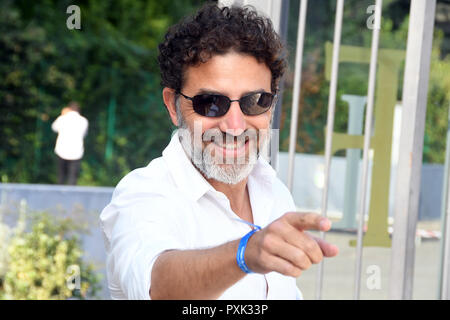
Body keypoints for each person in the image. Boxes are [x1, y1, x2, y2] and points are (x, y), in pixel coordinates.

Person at [100, 3, 339, 300]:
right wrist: (245, 254)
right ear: (172, 106)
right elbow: (157, 287)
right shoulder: (144, 195)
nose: (235, 126)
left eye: (255, 101)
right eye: (211, 103)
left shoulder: (274, 194)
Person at [51, 101, 88, 185]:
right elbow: (84, 134)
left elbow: (54, 128)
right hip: (76, 152)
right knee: (72, 178)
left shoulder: (62, 118)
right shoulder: (84, 121)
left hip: (61, 151)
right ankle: (71, 197)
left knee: (61, 177)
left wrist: (62, 114)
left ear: (69, 109)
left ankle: (59, 196)